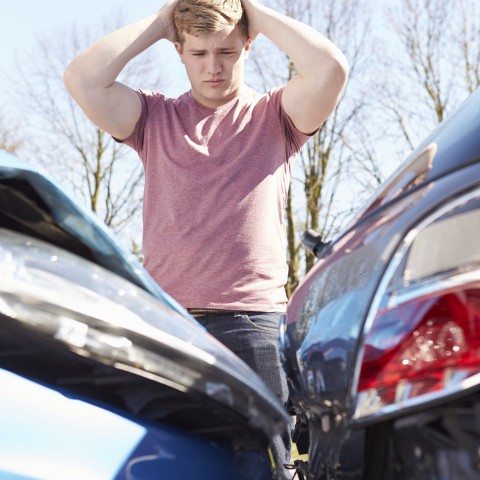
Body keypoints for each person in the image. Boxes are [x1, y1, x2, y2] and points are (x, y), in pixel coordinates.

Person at [64, 0, 348, 477]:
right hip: (168, 324)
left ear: (247, 44)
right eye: (198, 54)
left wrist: (252, 9)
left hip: (253, 325)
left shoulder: (277, 116)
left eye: (227, 51)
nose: (213, 67)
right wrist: (163, 19)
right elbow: (83, 79)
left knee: (266, 467)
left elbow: (330, 67)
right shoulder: (154, 119)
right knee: (169, 465)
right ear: (179, 51)